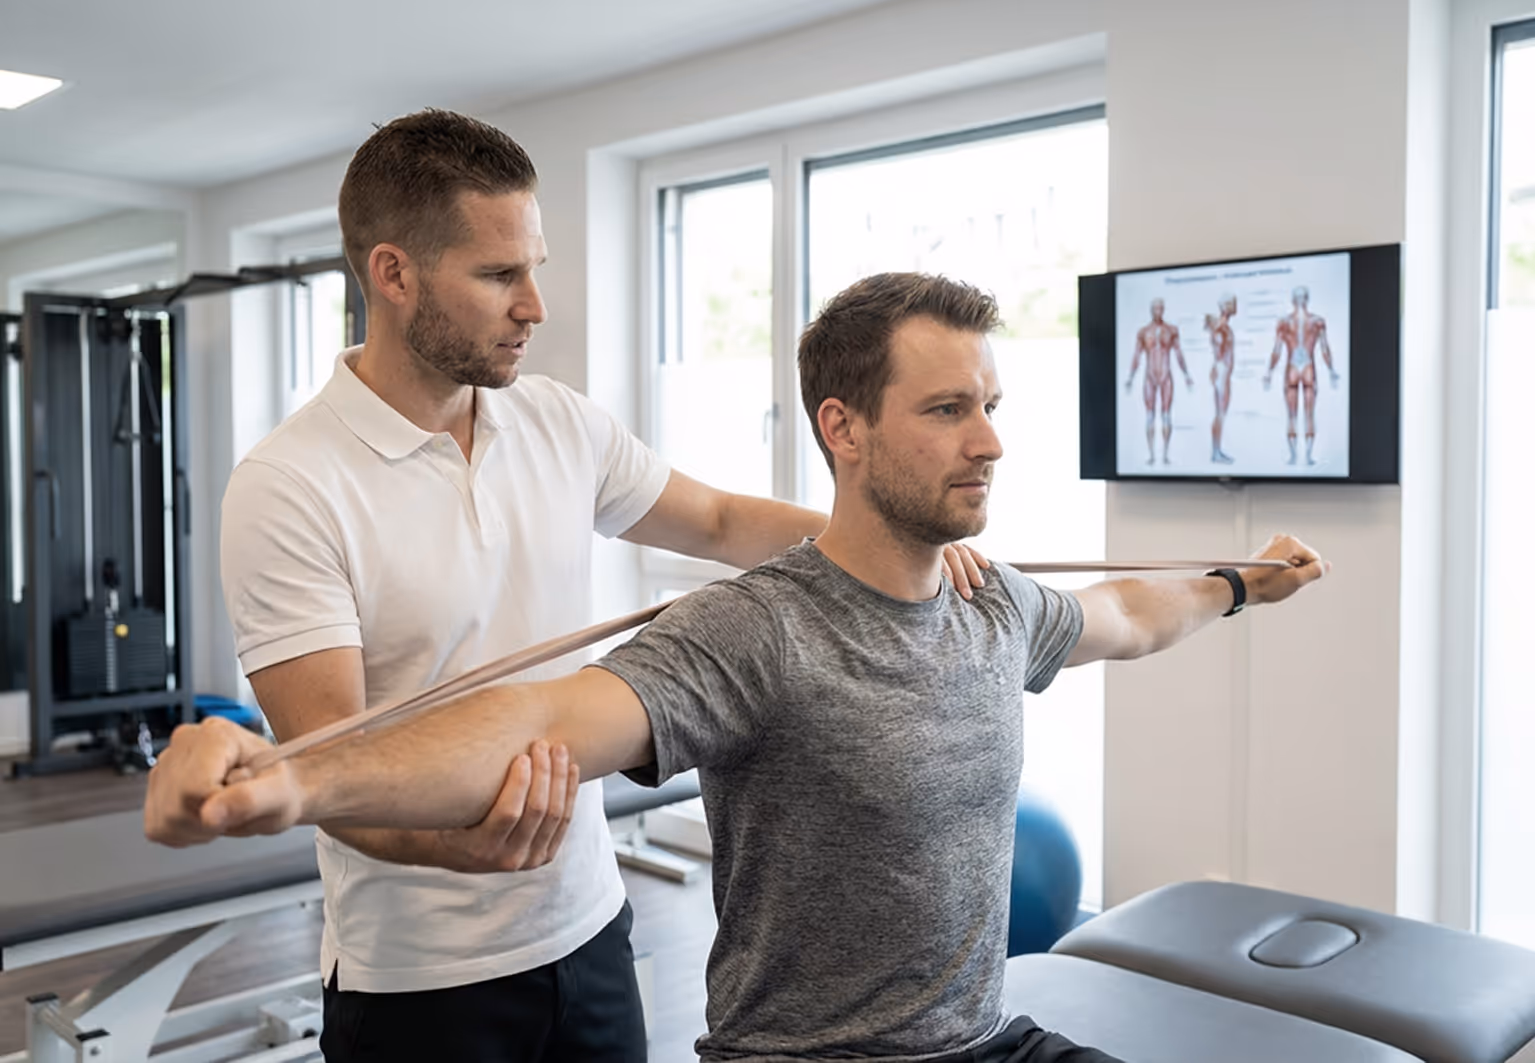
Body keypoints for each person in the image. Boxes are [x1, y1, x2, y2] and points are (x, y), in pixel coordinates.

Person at [152, 272, 1329, 1062]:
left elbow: (1124, 611)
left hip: (984, 1040)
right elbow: (547, 715)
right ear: (844, 429)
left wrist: (1237, 585)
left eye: (989, 404)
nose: (990, 440)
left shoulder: (990, 600)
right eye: (946, 409)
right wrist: (294, 781)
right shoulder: (757, 631)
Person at [220, 111, 987, 1063]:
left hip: (588, 932)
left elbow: (714, 521)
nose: (534, 304)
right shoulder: (288, 485)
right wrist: (464, 845)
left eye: (533, 267)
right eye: (500, 275)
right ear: (394, 274)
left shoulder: (555, 422)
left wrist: (889, 537)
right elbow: (328, 768)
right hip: (419, 978)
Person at [1263, 285, 1339, 465]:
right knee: (1308, 414)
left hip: (1292, 368)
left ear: (1293, 300)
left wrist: (1269, 372)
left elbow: (1277, 350)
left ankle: (1294, 456)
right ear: (1306, 298)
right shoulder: (1316, 321)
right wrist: (1331, 371)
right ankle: (1308, 456)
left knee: (1292, 415)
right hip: (1307, 368)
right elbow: (1324, 348)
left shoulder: (1285, 322)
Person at [1124, 297, 1193, 466]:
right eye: (1155, 308)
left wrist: (1186, 374)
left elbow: (1178, 353)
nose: (1158, 311)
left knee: (1166, 415)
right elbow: (1137, 355)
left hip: (1165, 375)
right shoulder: (1143, 332)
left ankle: (1166, 455)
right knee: (1149, 415)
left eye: (1161, 308)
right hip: (1150, 375)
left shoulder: (1171, 330)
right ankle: (1151, 455)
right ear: (1151, 310)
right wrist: (1131, 377)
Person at [1203, 293, 1238, 464]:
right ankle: (1215, 452)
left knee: (1221, 413)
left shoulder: (1222, 326)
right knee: (1220, 414)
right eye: (1231, 304)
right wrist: (1218, 369)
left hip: (1223, 372)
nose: (1234, 306)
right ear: (1224, 307)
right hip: (1222, 371)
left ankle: (1217, 451)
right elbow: (1219, 351)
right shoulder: (1221, 326)